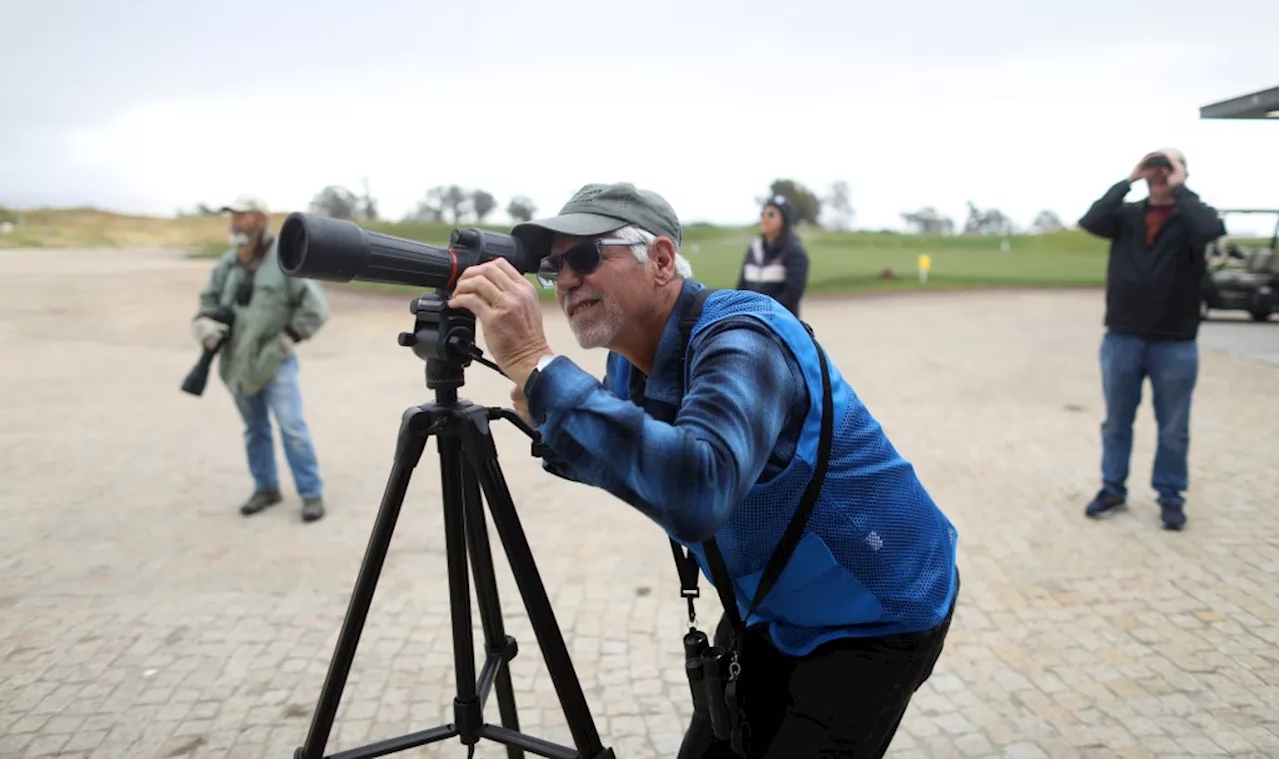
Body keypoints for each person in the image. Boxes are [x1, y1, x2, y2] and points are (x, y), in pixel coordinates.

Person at [446, 182, 959, 758]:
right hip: (768, 607)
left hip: (877, 610)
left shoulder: (745, 335)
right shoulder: (628, 365)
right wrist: (556, 422)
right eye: (554, 266)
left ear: (661, 260)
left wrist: (537, 367)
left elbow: (698, 488)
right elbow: (643, 462)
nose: (565, 281)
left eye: (586, 257)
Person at [1077, 149, 1225, 531]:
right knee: (1116, 422)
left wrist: (1180, 187)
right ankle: (1112, 488)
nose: (1159, 174)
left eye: (1168, 168)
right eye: (1155, 168)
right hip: (1123, 336)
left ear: (1183, 173)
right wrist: (1129, 179)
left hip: (1175, 341)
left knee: (1174, 426)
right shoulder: (1127, 216)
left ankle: (1171, 496)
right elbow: (1091, 220)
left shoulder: (1191, 218)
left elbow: (1211, 229)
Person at [191, 193, 331, 523]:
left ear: (262, 220)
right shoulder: (227, 264)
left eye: (244, 215)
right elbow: (207, 302)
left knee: (292, 427)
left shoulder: (286, 260)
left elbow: (316, 309)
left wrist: (287, 339)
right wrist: (206, 326)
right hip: (236, 362)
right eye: (233, 215)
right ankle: (265, 488)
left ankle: (311, 493)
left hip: (275, 360)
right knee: (254, 429)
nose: (236, 222)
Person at [735, 194, 810, 318]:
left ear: (783, 220)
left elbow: (791, 295)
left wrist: (761, 311)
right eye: (762, 214)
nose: (765, 218)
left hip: (780, 322)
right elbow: (741, 286)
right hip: (751, 319)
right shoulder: (754, 248)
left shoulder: (794, 251)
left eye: (771, 214)